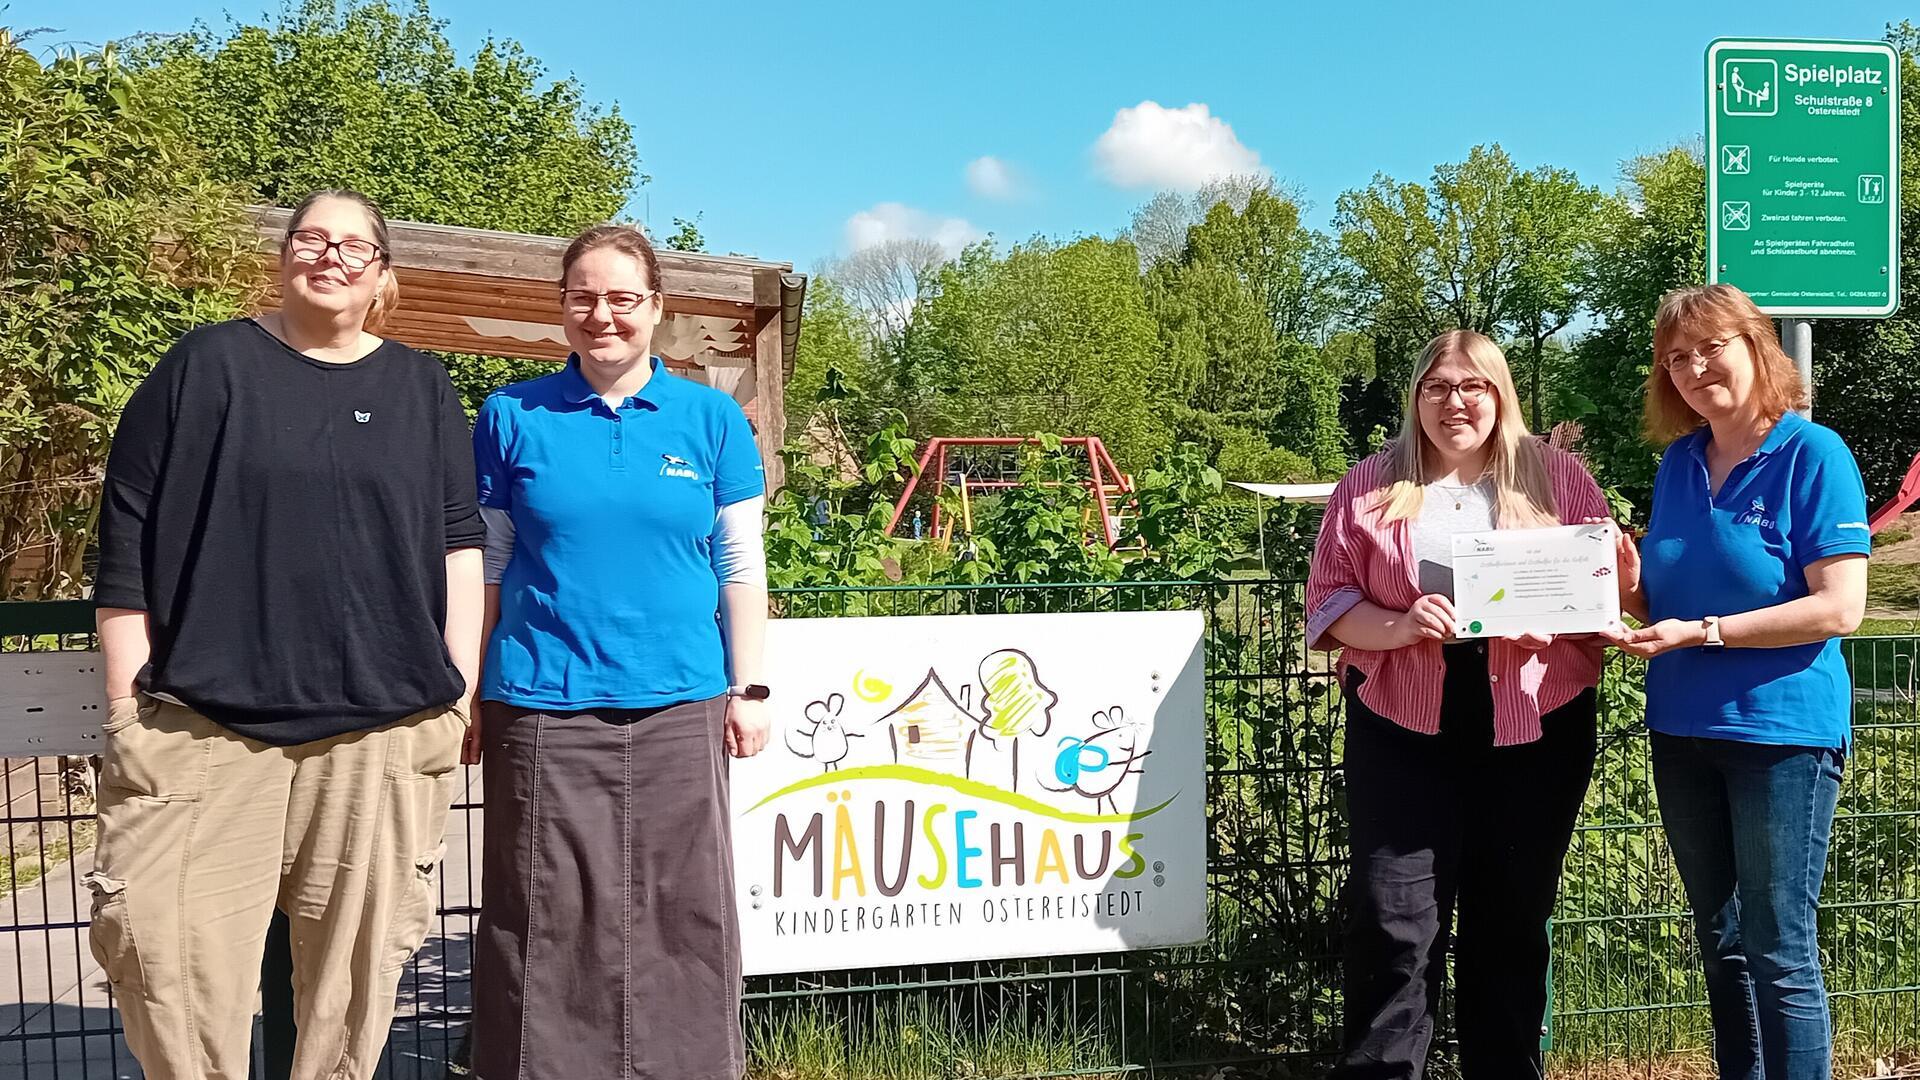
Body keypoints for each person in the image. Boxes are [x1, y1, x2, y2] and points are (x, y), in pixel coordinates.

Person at [90, 189, 483, 1080]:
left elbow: (462, 544)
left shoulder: (422, 389)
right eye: (311, 238)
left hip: (382, 734)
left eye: (354, 245)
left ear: (382, 272)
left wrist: (455, 690)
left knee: (352, 1002)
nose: (330, 256)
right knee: (167, 974)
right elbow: (125, 536)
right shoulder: (206, 366)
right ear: (283, 256)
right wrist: (126, 701)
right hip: (198, 732)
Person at [468, 223, 771, 1080]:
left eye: (621, 298)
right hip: (538, 703)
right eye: (583, 297)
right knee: (543, 915)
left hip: (682, 704)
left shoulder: (711, 420)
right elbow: (488, 566)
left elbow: (740, 569)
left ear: (656, 309)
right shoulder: (508, 416)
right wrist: (469, 690)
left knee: (683, 913)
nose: (602, 315)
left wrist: (750, 689)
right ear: (562, 307)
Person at [1306, 330, 1610, 1080]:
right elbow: (1331, 599)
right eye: (1438, 386)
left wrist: (1563, 612)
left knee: (1509, 923)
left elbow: (1599, 590)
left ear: (1501, 395)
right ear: (1416, 398)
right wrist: (1401, 625)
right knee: (1393, 921)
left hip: (1535, 722)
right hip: (1404, 724)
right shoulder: (1370, 485)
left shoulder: (1557, 478)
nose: (1456, 402)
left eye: (1475, 385)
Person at [1609, 284, 1867, 1080]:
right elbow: (1671, 600)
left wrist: (1708, 634)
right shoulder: (1679, 463)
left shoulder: (1812, 455)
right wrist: (1625, 590)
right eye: (1675, 358)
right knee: (1720, 946)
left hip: (1780, 735)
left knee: (1778, 948)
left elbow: (1839, 609)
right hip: (1681, 729)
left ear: (1758, 348)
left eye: (1709, 347)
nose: (1692, 368)